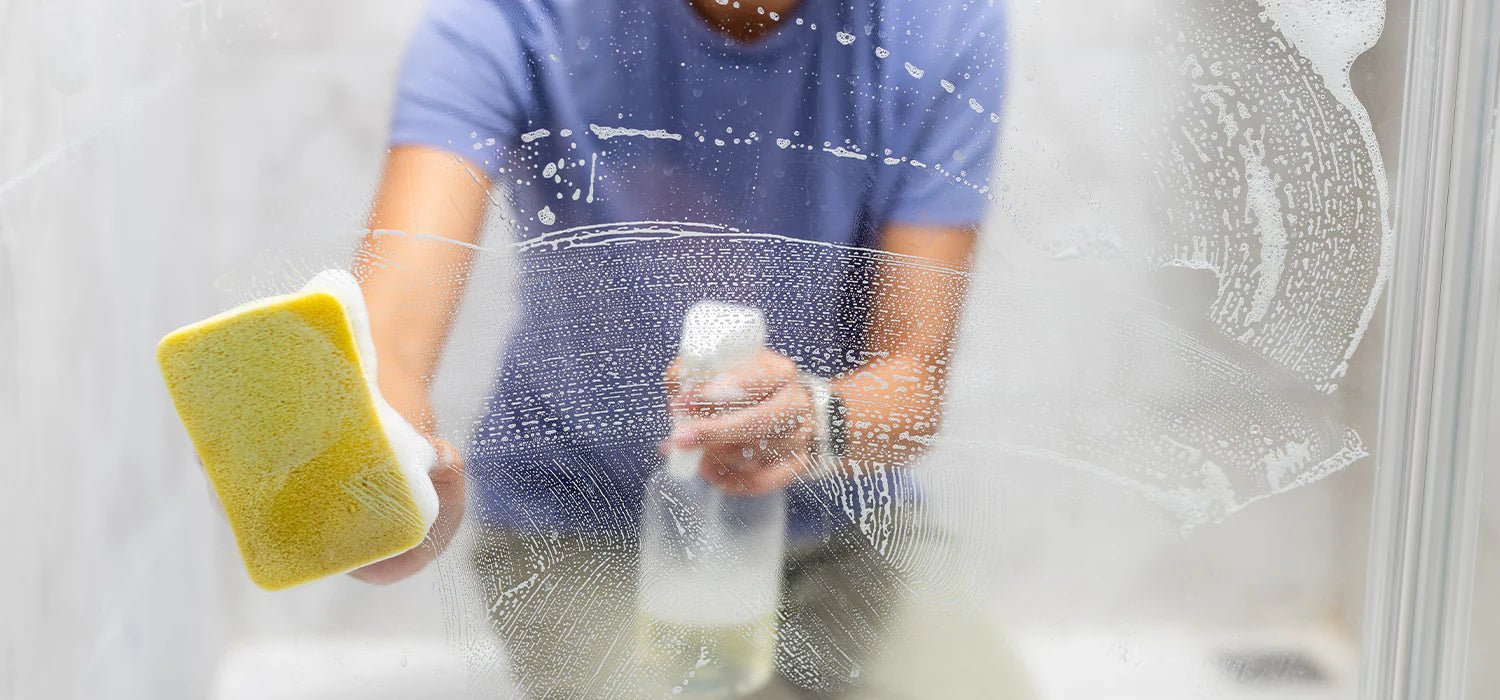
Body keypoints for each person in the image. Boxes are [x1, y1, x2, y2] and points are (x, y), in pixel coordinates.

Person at [344, 0, 1028, 696]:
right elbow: (387, 344)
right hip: (580, 528)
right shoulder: (513, 16)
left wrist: (814, 422)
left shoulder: (939, 20)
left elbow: (912, 381)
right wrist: (384, 466)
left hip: (844, 521)